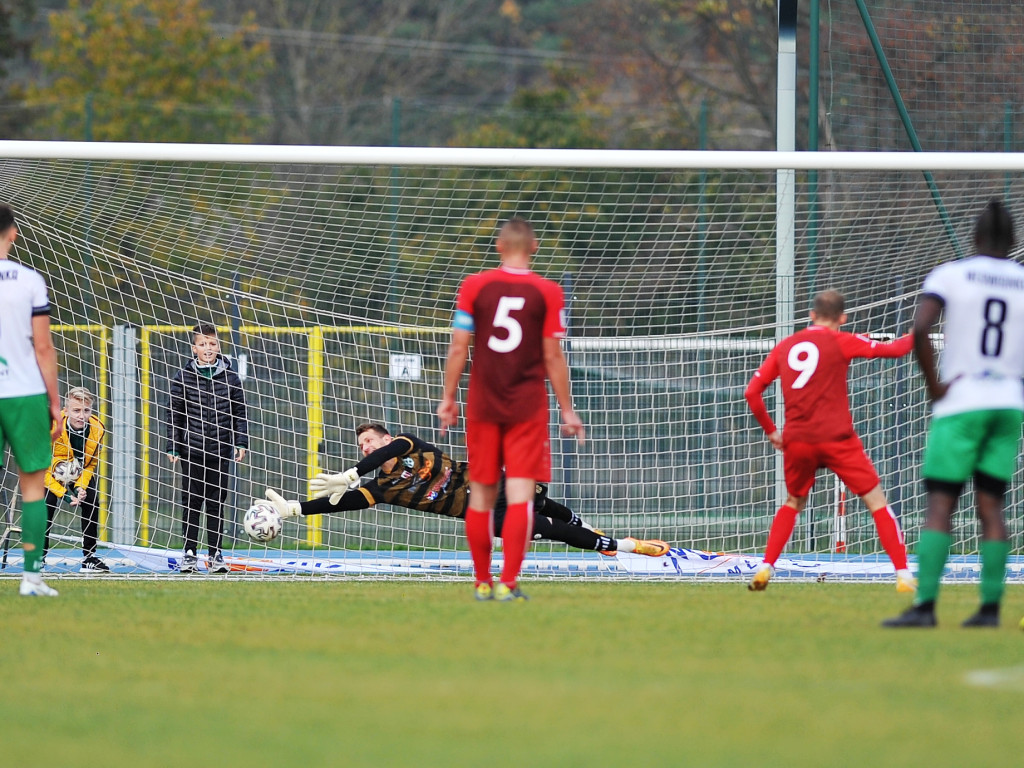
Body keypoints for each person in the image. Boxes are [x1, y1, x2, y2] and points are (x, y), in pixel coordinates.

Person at [884, 201, 1024, 628]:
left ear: (975, 238)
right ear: (1013, 242)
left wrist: (934, 387)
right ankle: (990, 610)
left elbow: (922, 328)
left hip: (962, 401)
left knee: (941, 504)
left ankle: (925, 608)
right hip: (1008, 403)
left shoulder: (951, 274)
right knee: (992, 505)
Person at [435, 217, 585, 602]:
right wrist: (568, 410)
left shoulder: (475, 286)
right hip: (527, 407)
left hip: (483, 404)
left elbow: (458, 347)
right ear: (533, 247)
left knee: (482, 496)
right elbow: (553, 355)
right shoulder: (548, 292)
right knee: (520, 495)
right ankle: (510, 582)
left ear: (499, 247)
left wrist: (448, 398)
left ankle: (482, 582)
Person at [263, 423, 669, 560]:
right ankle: (625, 546)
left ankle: (586, 527)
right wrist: (295, 509)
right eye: (362, 444)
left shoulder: (405, 443)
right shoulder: (383, 488)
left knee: (541, 503)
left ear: (384, 438)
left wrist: (352, 471)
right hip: (481, 511)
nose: (367, 447)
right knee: (537, 527)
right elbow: (346, 502)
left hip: (495, 482)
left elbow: (388, 452)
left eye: (371, 440)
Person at [744, 289, 915, 593]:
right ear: (842, 318)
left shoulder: (786, 345)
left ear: (811, 315)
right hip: (837, 438)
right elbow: (895, 350)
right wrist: (917, 335)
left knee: (793, 502)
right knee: (876, 502)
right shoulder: (842, 340)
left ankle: (766, 567)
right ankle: (902, 574)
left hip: (797, 440)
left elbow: (752, 392)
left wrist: (772, 431)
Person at [0, 204, 62, 596]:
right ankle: (31, 578)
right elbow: (43, 348)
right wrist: (55, 403)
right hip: (23, 394)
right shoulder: (29, 281)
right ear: (14, 232)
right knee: (33, 487)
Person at [166, 323, 248, 575]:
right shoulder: (183, 376)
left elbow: (240, 413)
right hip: (191, 450)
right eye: (203, 344)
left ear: (218, 347)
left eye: (212, 344)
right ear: (194, 348)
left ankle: (215, 554)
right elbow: (174, 414)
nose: (208, 348)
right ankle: (189, 554)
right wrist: (173, 446)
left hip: (220, 449)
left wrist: (241, 442)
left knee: (216, 503)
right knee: (191, 502)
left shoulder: (231, 378)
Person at [44, 386, 109, 573]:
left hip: (79, 473)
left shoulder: (98, 428)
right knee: (47, 502)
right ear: (66, 410)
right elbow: (41, 468)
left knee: (91, 500)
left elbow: (90, 465)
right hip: (50, 473)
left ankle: (89, 558)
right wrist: (64, 495)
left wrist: (80, 487)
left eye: (86, 410)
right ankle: (39, 557)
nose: (81, 415)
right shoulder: (52, 425)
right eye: (76, 410)